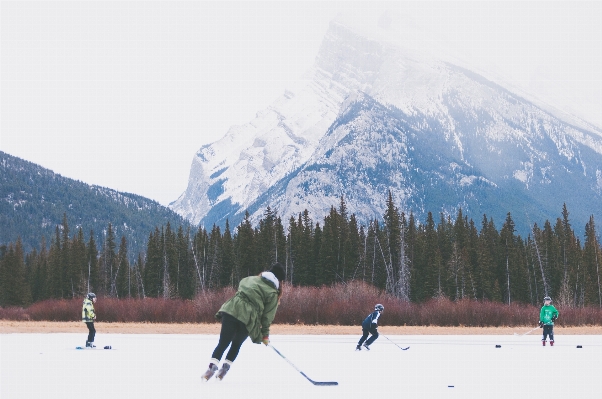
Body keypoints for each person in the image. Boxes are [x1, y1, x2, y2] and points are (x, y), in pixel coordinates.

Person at [202, 262, 286, 381]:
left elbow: (241, 285)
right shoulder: (273, 293)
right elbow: (267, 317)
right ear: (279, 281)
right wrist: (265, 335)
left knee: (223, 343)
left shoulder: (250, 279)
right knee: (236, 344)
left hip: (231, 310)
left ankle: (210, 370)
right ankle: (223, 371)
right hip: (248, 318)